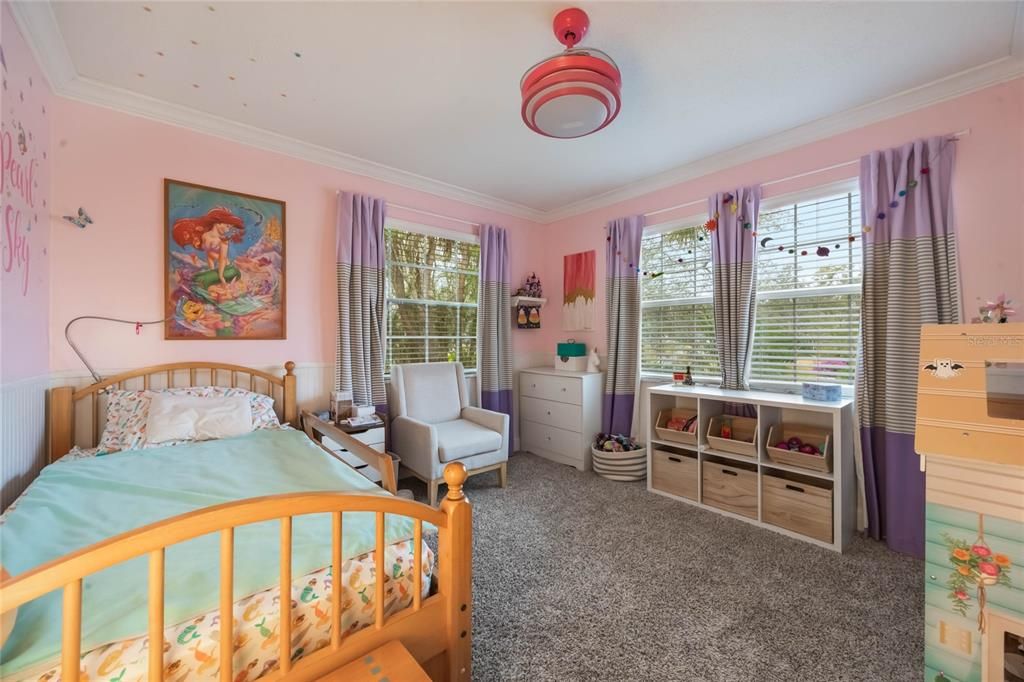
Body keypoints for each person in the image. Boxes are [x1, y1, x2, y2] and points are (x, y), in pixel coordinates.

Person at [172, 207, 245, 285]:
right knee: (197, 279)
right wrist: (212, 270)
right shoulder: (205, 236)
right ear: (218, 223)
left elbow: (222, 259)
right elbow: (209, 255)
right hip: (219, 268)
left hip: (228, 269)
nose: (228, 230)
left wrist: (221, 276)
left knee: (202, 280)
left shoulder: (223, 241)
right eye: (227, 226)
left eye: (230, 228)